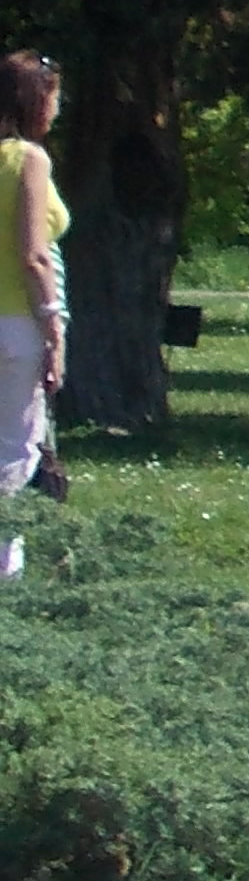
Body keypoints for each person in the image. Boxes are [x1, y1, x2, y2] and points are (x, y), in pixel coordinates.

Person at [0, 52, 65, 539]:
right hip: (17, 322)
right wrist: (54, 330)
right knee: (15, 452)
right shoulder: (27, 160)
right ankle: (8, 573)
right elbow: (34, 255)